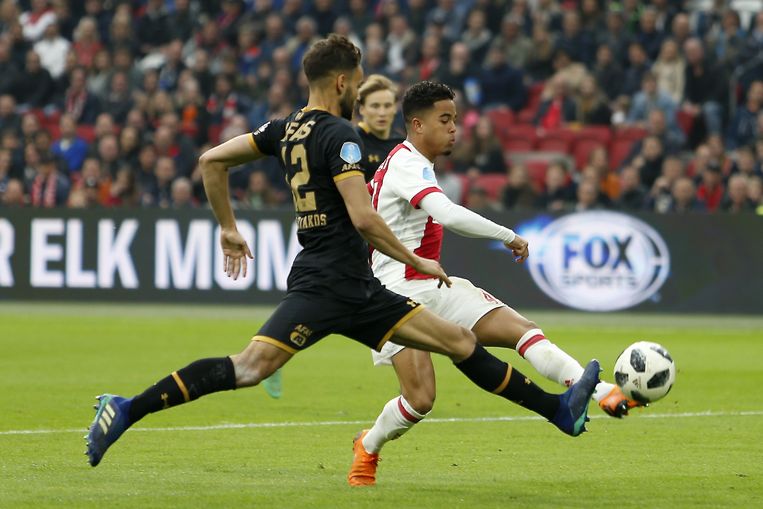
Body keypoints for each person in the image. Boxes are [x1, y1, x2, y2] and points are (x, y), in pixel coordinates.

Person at [85, 35, 600, 468]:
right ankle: (126, 408)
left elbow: (210, 161)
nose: (359, 88)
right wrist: (415, 259)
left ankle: (559, 410)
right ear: (341, 82)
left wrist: (228, 227)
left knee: (460, 341)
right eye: (357, 81)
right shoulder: (341, 135)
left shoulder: (284, 128)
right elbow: (364, 218)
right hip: (328, 284)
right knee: (250, 368)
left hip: (359, 287)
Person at [348, 81, 634, 487]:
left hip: (435, 285)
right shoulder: (406, 163)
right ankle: (368, 446)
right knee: (420, 399)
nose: (454, 128)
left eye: (455, 119)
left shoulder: (412, 162)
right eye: (444, 120)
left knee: (522, 330)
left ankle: (599, 392)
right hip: (396, 294)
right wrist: (507, 235)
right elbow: (446, 213)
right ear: (417, 124)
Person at [354, 74, 404, 181]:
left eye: (387, 106)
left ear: (395, 108)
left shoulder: (402, 145)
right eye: (375, 106)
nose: (382, 113)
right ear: (362, 109)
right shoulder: (352, 142)